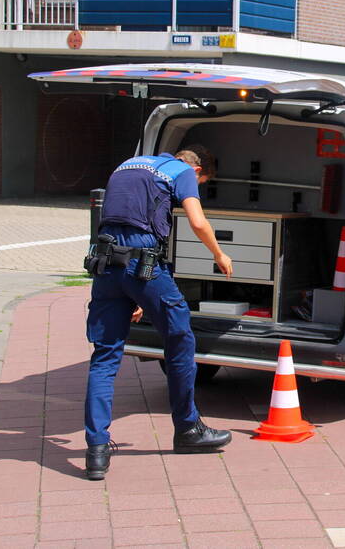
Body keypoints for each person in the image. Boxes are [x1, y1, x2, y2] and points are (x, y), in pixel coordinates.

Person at [83, 145, 235, 480]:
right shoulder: (182, 172)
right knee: (180, 340)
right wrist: (219, 254)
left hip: (107, 265)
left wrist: (132, 294)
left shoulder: (127, 162)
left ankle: (96, 450)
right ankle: (188, 429)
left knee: (105, 355)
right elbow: (197, 221)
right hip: (143, 266)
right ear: (197, 171)